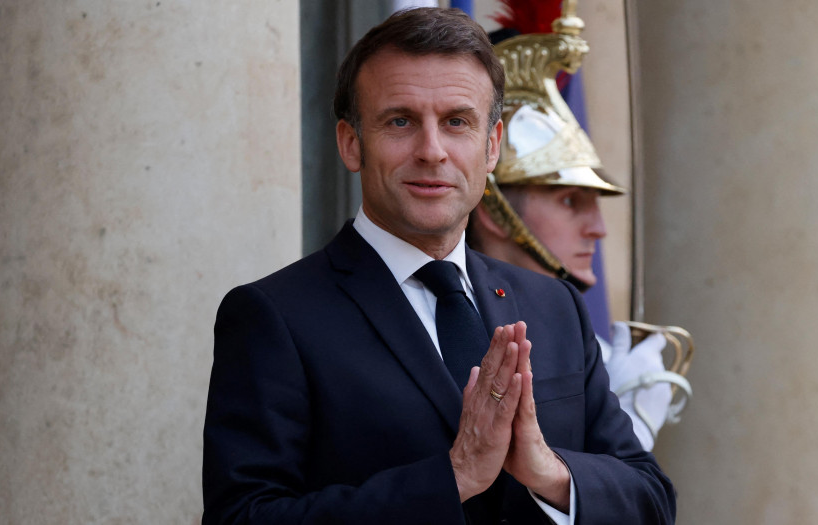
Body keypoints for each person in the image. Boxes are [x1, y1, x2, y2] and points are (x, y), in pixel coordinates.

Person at [201, 7, 674, 525]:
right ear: (351, 143)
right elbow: (241, 518)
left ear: (491, 146)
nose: (432, 151)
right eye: (400, 121)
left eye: (457, 122)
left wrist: (550, 472)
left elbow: (652, 499)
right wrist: (453, 478)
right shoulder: (276, 316)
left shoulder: (554, 305)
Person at [469, 4, 694, 452]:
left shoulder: (574, 336)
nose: (598, 229)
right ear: (493, 211)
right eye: (571, 201)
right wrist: (629, 437)